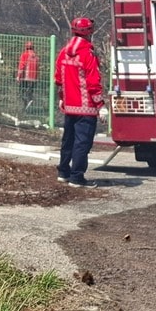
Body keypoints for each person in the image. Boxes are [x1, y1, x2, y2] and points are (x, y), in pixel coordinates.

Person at [54, 17, 104, 187]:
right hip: (86, 108)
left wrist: (62, 98)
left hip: (69, 106)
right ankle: (77, 177)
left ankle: (63, 172)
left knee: (68, 140)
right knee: (82, 143)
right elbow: (93, 82)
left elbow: (58, 79)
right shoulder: (88, 54)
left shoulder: (63, 52)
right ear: (89, 33)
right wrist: (100, 105)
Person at [16, 41, 40, 107]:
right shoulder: (35, 56)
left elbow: (21, 66)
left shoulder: (24, 55)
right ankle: (30, 100)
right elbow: (38, 68)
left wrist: (18, 76)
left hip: (25, 77)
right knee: (30, 91)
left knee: (21, 91)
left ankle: (25, 103)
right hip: (34, 78)